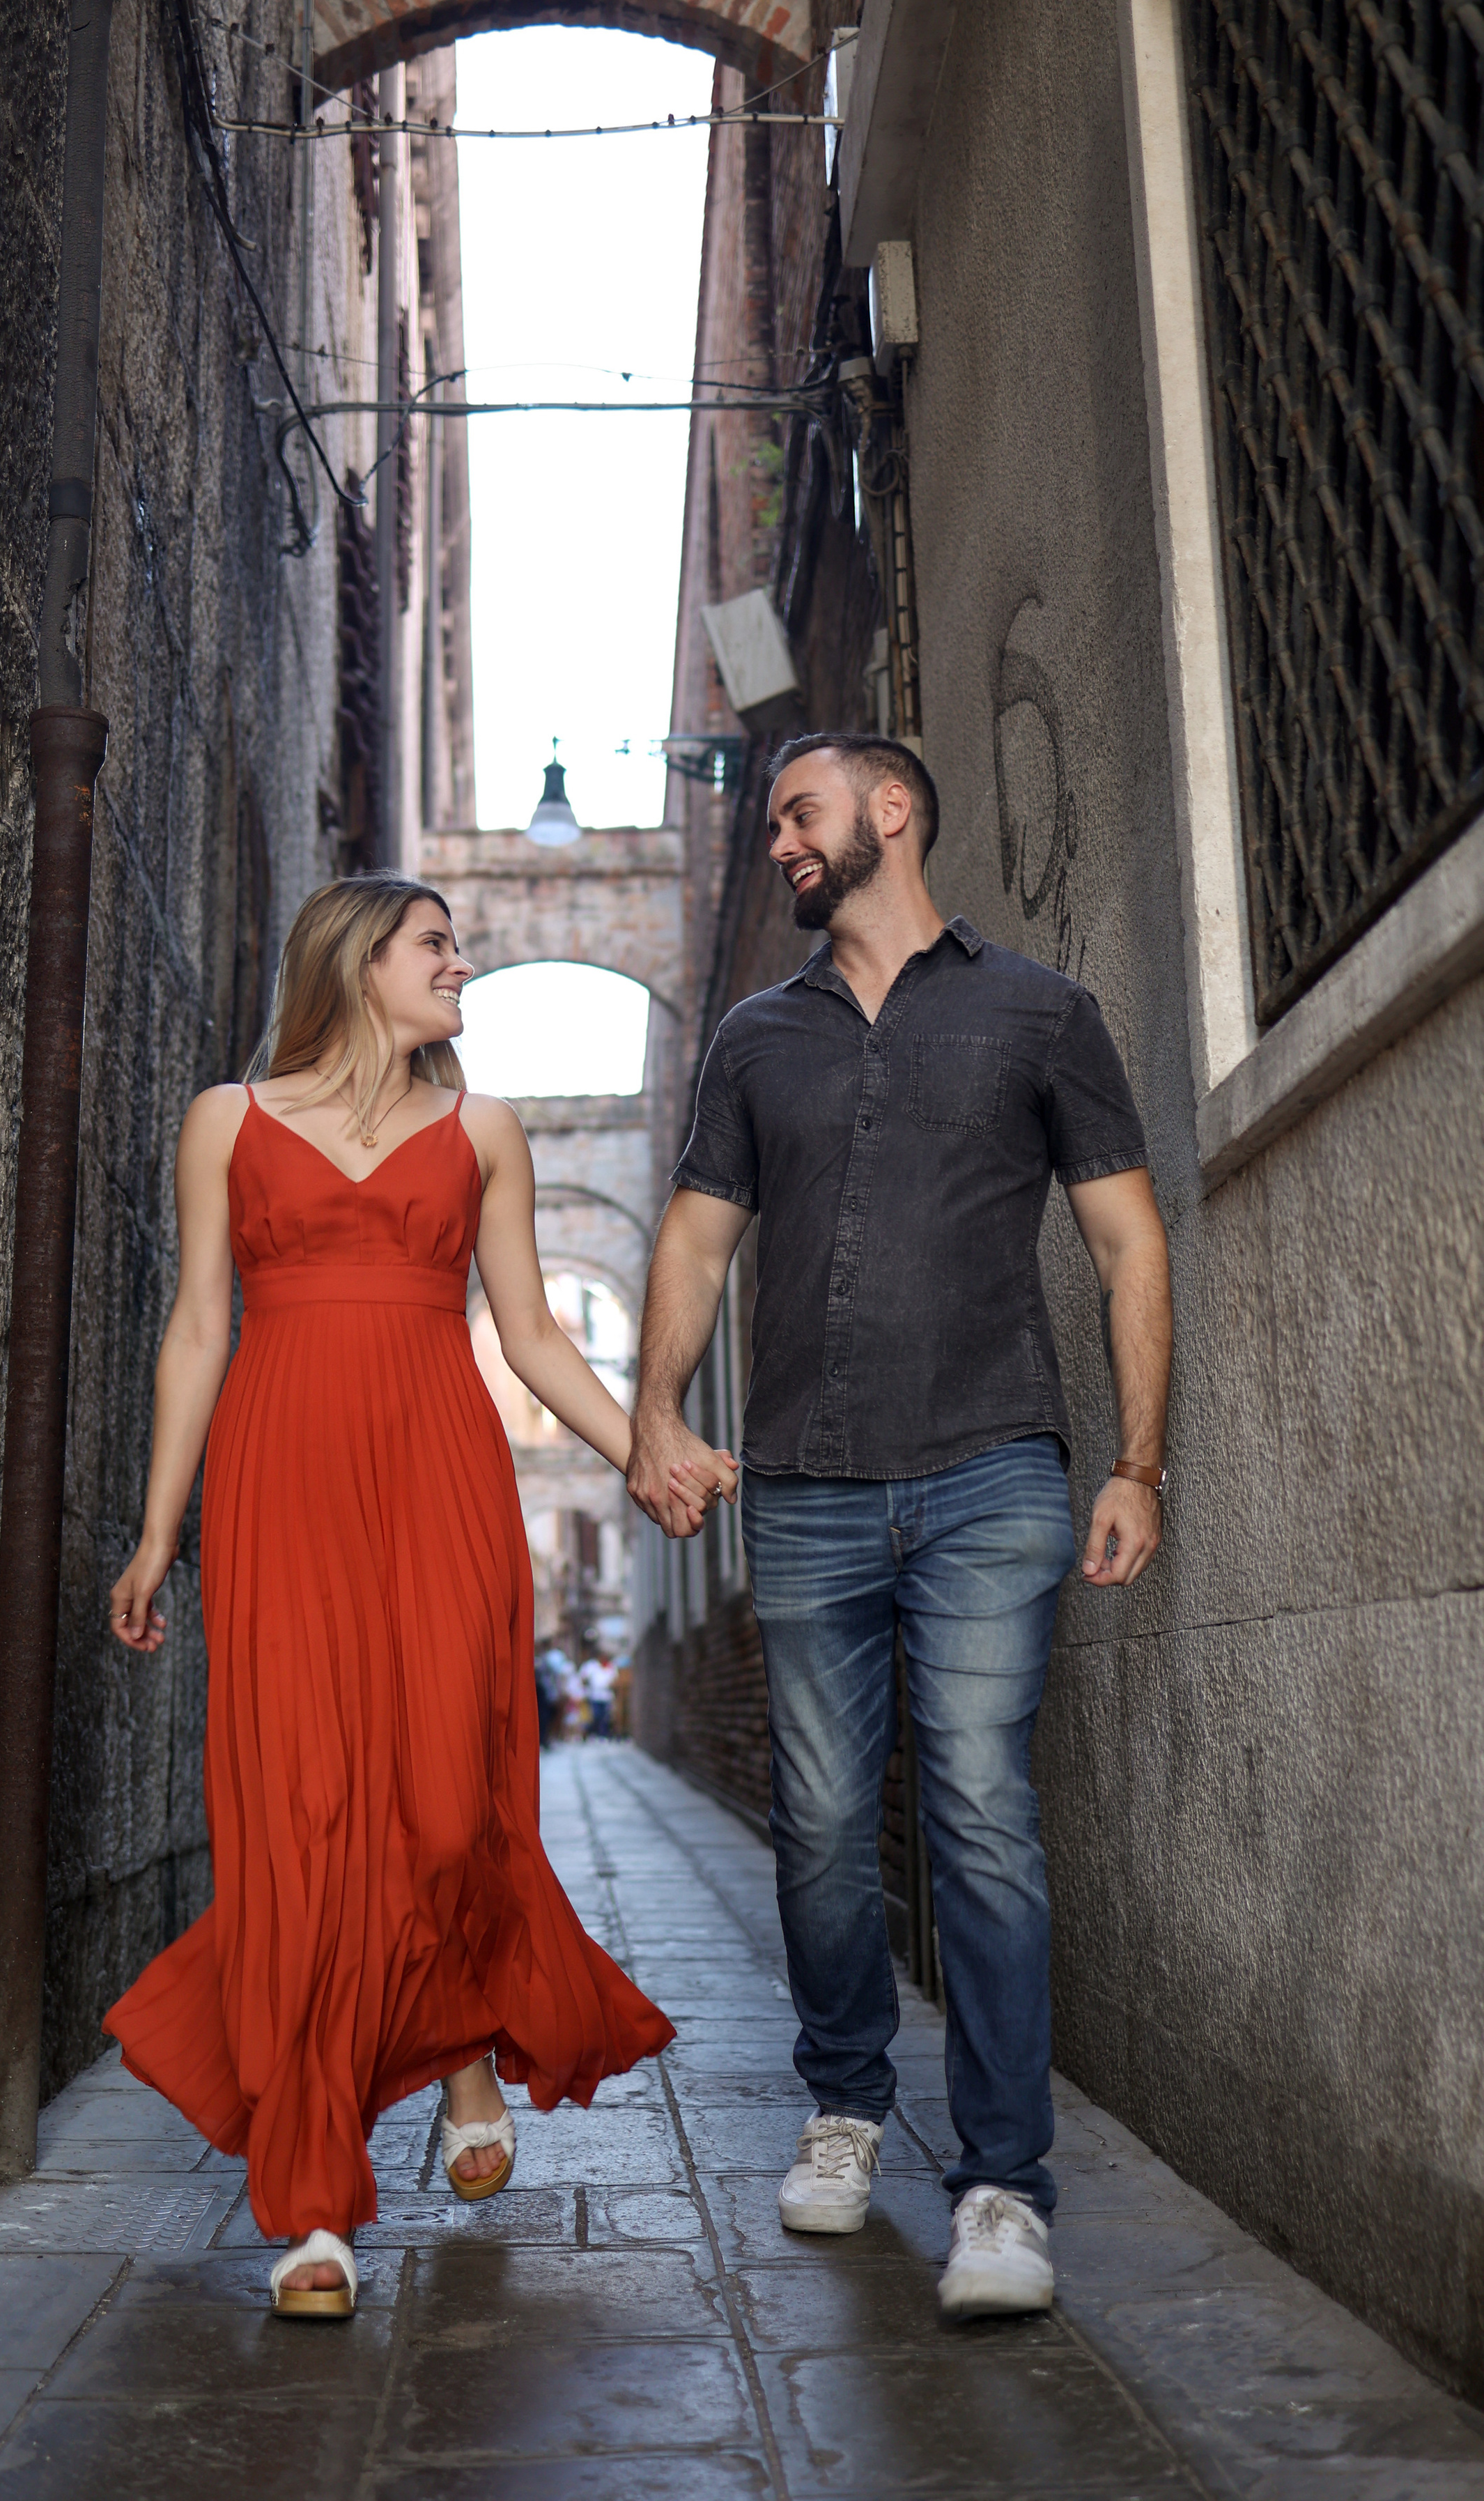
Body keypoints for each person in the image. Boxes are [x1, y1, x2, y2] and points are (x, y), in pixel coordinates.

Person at [627, 734, 1171, 2321]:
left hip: (992, 1470)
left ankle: (1002, 2186)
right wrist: (656, 1411)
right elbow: (694, 1243)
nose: (778, 843)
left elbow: (1128, 1243)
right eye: (771, 825)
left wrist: (1137, 1464)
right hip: (802, 1484)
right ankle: (847, 2106)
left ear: (889, 811)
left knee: (980, 1809)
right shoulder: (753, 1039)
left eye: (797, 814)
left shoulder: (1041, 1013)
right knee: (817, 1821)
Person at [105, 874, 688, 2321]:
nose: (461, 968)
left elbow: (532, 1334)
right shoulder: (224, 1122)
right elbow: (198, 1329)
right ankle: (312, 2202)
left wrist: (643, 1451)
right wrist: (156, 1531)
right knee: (300, 1818)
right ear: (360, 961)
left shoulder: (483, 1130)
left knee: (444, 1803)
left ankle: (466, 2043)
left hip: (439, 1476)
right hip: (280, 1484)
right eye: (438, 946)